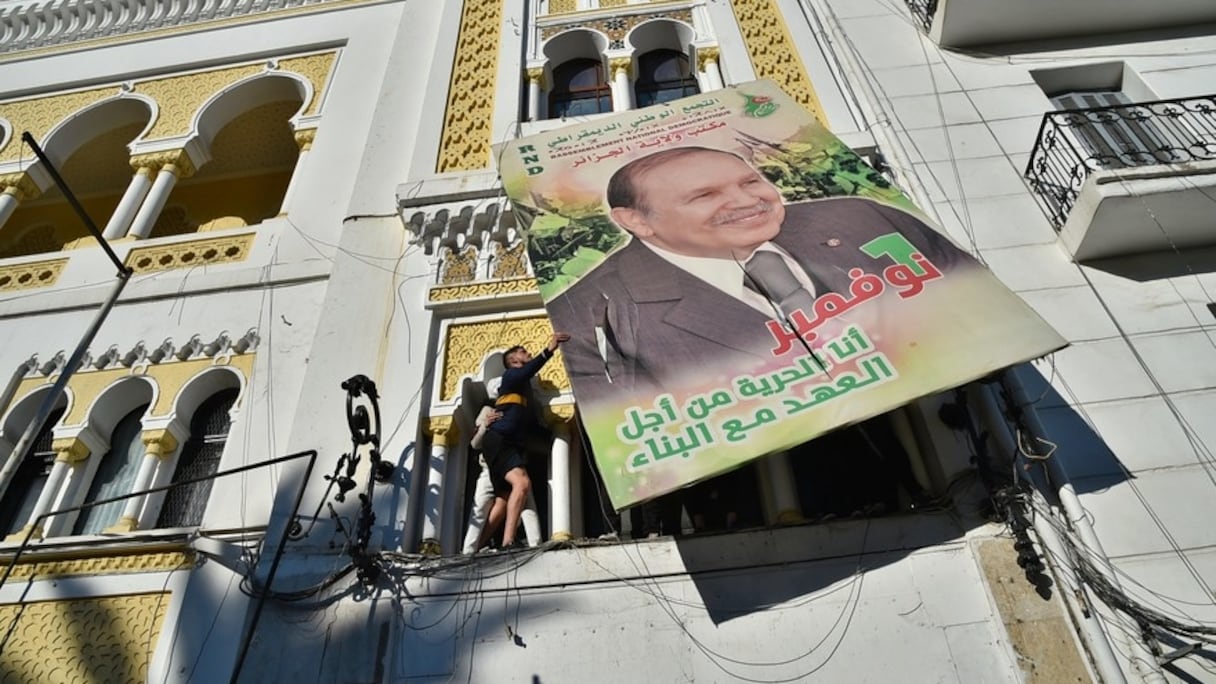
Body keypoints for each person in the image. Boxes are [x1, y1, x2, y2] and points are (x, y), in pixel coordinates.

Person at [545, 146, 965, 405]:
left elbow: (969, 295)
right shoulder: (592, 312)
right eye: (705, 195)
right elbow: (627, 431)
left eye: (751, 181)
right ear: (636, 220)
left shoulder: (859, 216)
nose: (748, 202)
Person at [476, 332, 570, 550]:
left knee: (504, 499)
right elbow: (529, 370)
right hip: (501, 440)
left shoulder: (520, 390)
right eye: (523, 352)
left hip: (504, 442)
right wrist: (549, 350)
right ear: (514, 361)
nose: (527, 353)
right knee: (522, 483)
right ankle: (508, 541)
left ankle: (477, 547)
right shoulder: (511, 376)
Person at [462, 378, 543, 554]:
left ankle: (535, 545)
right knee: (481, 510)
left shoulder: (518, 411)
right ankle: (468, 552)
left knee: (516, 503)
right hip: (490, 467)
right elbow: (475, 444)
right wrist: (486, 425)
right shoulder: (489, 410)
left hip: (512, 463)